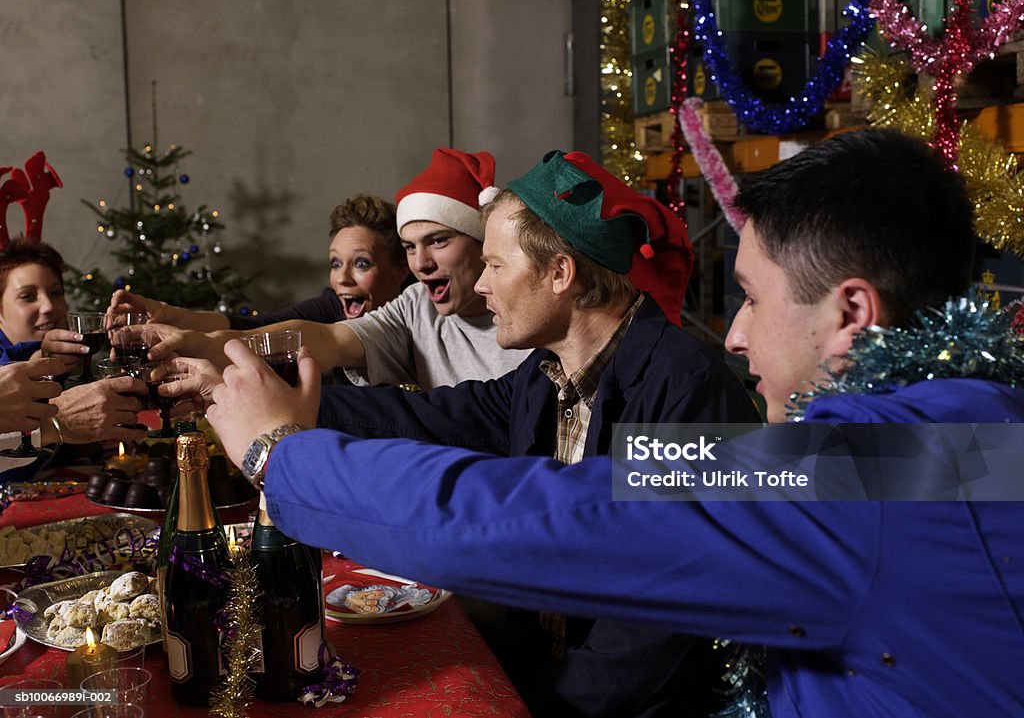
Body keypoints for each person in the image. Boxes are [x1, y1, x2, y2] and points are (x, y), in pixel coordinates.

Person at [206, 129, 1024, 718]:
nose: (733, 332)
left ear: (851, 311)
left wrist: (285, 456)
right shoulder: (966, 446)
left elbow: (554, 514)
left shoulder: (879, 475)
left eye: (753, 297)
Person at [214, 149, 761, 717]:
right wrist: (272, 404)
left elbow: (652, 631)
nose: (482, 288)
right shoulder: (545, 374)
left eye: (496, 267)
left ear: (560, 273)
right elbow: (429, 418)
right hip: (540, 672)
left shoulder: (688, 386)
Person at [149, 148, 529, 389]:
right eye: (411, 247)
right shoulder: (417, 306)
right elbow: (324, 339)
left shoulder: (530, 312)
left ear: (484, 243)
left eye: (439, 241)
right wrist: (207, 345)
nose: (421, 263)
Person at [108, 193, 411, 331]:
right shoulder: (334, 306)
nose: (342, 278)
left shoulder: (424, 316)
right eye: (335, 263)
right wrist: (167, 313)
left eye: (361, 264)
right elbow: (256, 327)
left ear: (400, 268)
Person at [0, 239, 147, 480]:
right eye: (27, 296)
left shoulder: (65, 358)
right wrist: (40, 362)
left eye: (55, 292)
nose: (48, 306)